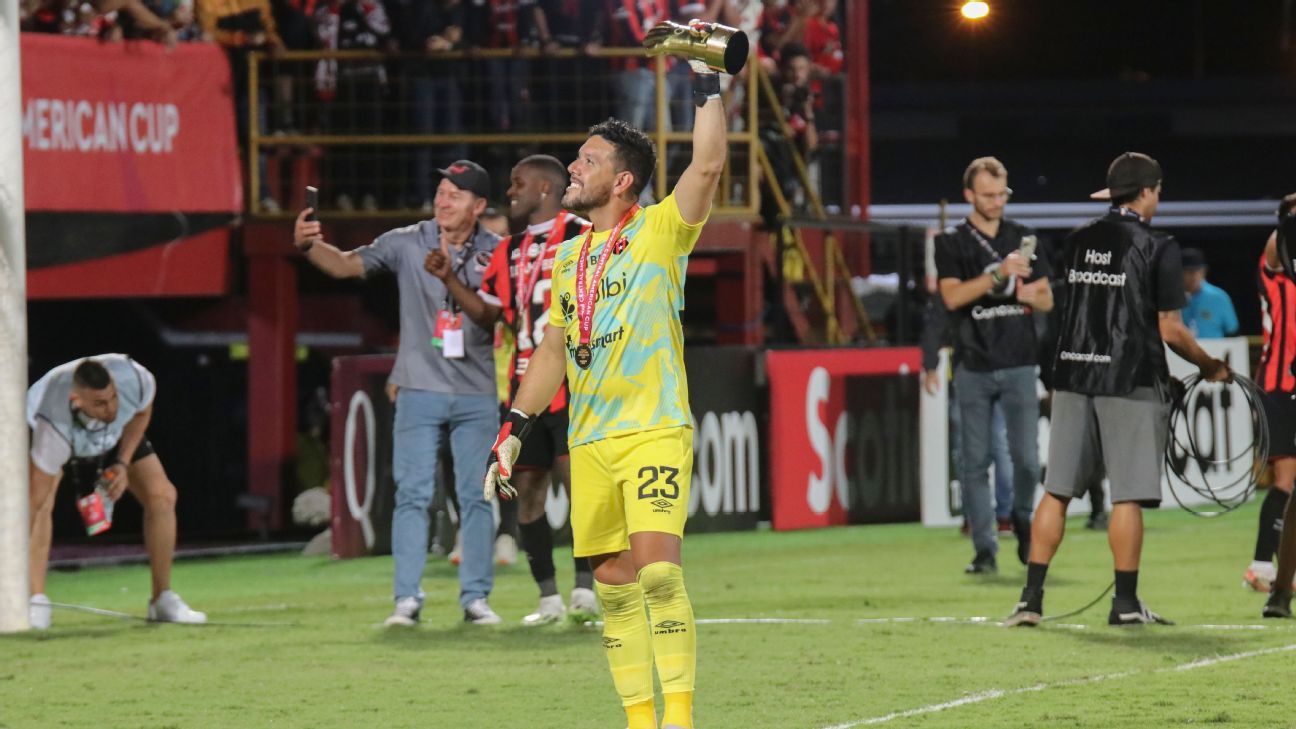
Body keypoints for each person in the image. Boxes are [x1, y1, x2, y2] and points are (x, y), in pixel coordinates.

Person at [484, 26, 731, 728]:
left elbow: (708, 166)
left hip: (653, 427)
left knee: (657, 573)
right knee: (616, 590)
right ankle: (639, 720)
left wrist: (706, 78)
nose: (573, 168)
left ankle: (678, 719)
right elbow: (552, 354)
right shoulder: (569, 258)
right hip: (591, 440)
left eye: (587, 160)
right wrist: (513, 428)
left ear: (622, 180)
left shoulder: (658, 231)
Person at [1005, 152, 1230, 628]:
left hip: (1072, 374)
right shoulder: (1159, 245)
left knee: (1057, 490)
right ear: (1147, 191)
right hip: (1127, 381)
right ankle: (1125, 603)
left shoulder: (1079, 239)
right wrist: (1209, 366)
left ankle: (1030, 601)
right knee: (1127, 495)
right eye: (1158, 190)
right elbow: (1169, 329)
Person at [293, 159, 504, 626]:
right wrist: (312, 247)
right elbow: (348, 265)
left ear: (479, 206)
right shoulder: (407, 241)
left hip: (477, 392)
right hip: (418, 388)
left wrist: (449, 277)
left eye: (456, 193)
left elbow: (490, 315)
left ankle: (475, 598)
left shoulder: (499, 252)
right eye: (442, 191)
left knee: (476, 496)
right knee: (412, 494)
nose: (443, 200)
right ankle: (406, 600)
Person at [431, 154, 598, 625]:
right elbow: (489, 314)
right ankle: (548, 599)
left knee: (580, 491)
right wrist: (447, 279)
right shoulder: (508, 251)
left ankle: (585, 591)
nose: (510, 194)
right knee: (527, 496)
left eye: (517, 184)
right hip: (524, 391)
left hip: (576, 389)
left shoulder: (584, 236)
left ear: (544, 189)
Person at [934, 156, 1052, 575]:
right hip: (973, 364)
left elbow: (1046, 298)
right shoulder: (950, 242)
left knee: (1025, 458)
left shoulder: (1024, 237)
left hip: (1020, 360)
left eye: (1002, 194)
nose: (997, 202)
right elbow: (951, 297)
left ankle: (1021, 516)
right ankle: (984, 549)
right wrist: (998, 277)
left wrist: (1024, 294)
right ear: (970, 195)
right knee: (974, 461)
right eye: (988, 195)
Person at [26, 355, 206, 629]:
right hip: (52, 430)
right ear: (77, 400)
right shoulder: (51, 420)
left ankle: (162, 599)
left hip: (111, 434)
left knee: (163, 495)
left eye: (113, 397)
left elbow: (141, 412)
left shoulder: (136, 381)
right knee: (41, 505)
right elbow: (30, 504)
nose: (110, 407)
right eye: (100, 403)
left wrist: (122, 462)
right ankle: (34, 600)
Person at [1245, 196, 1296, 595]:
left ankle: (1271, 567)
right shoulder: (1277, 266)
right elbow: (1274, 248)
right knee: (1285, 479)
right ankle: (1264, 566)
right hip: (1280, 385)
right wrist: (1287, 219)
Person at [1180, 248, 1239, 339]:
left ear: (1204, 271)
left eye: (1198, 270)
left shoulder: (1219, 297)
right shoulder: (1171, 297)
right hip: (1179, 351)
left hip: (1213, 350)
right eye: (1188, 271)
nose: (1194, 276)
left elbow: (1232, 330)